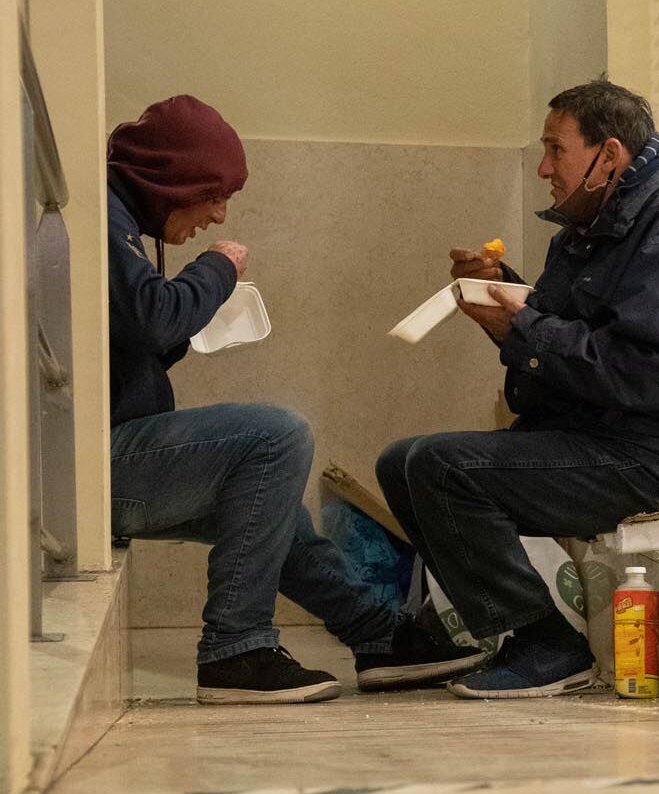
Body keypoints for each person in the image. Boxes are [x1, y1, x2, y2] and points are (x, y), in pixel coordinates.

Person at [107, 96, 487, 704]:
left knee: (273, 509)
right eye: (213, 196)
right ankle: (236, 649)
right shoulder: (104, 221)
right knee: (276, 434)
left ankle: (377, 636)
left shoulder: (120, 222)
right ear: (171, 181)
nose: (218, 215)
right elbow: (154, 319)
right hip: (100, 471)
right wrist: (216, 270)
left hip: (112, 456)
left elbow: (138, 337)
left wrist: (193, 312)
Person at [378, 80, 659, 698]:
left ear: (608, 156)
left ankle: (547, 643)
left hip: (658, 455)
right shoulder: (589, 230)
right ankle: (490, 633)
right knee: (401, 462)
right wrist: (503, 291)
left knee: (443, 467)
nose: (545, 168)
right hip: (601, 432)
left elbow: (648, 374)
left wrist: (522, 329)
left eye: (555, 149)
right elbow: (567, 330)